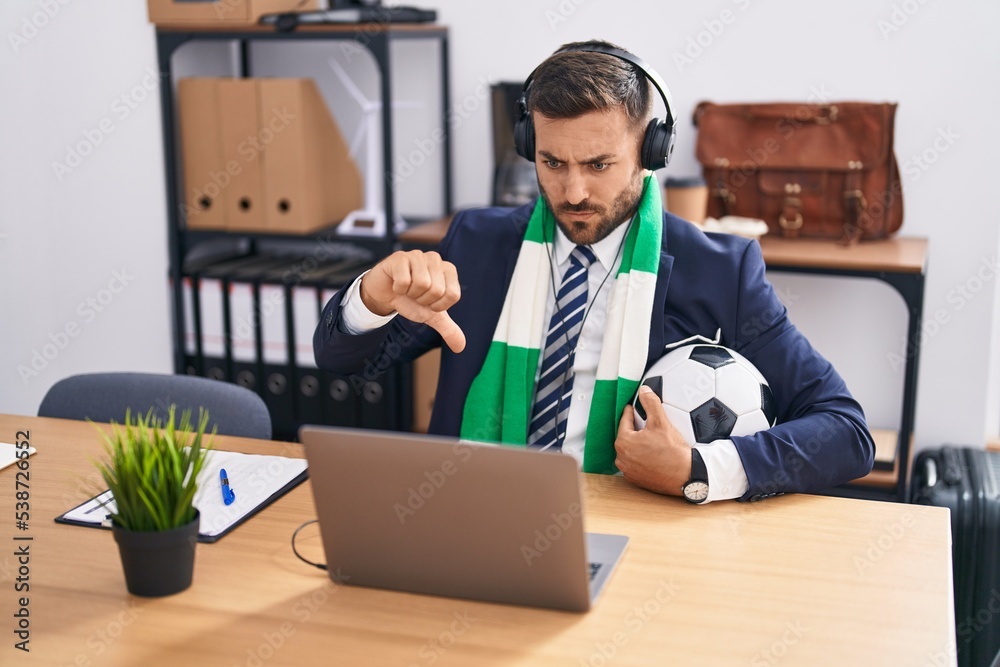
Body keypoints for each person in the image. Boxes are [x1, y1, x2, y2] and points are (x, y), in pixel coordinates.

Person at [314, 39, 874, 503]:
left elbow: (846, 432)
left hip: (629, 528)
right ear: (529, 146)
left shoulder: (719, 270)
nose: (573, 191)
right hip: (469, 508)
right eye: (552, 163)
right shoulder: (478, 244)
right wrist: (371, 297)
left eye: (599, 165)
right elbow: (342, 361)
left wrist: (697, 467)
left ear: (650, 151)